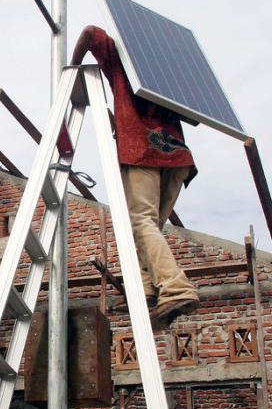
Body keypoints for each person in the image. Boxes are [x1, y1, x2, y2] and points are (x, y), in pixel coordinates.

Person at [71, 25, 199, 325]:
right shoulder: (168, 74)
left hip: (142, 149)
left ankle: (176, 289)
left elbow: (91, 33)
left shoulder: (124, 58)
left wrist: (72, 69)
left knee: (139, 221)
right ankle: (146, 291)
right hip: (177, 156)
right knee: (146, 227)